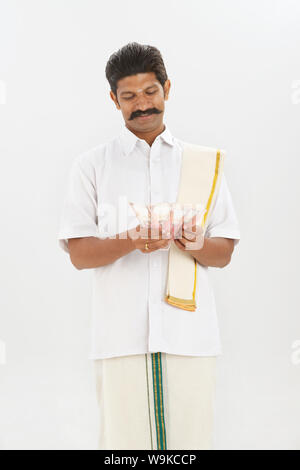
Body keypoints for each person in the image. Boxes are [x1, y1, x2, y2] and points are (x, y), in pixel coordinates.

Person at [57, 42, 241, 450]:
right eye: (129, 97)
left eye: (150, 92)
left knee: (191, 446)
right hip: (118, 336)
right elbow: (80, 254)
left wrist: (193, 242)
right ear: (114, 100)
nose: (142, 104)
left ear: (167, 89)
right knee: (124, 449)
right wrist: (133, 238)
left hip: (190, 336)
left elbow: (224, 250)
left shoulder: (202, 163)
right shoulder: (93, 166)